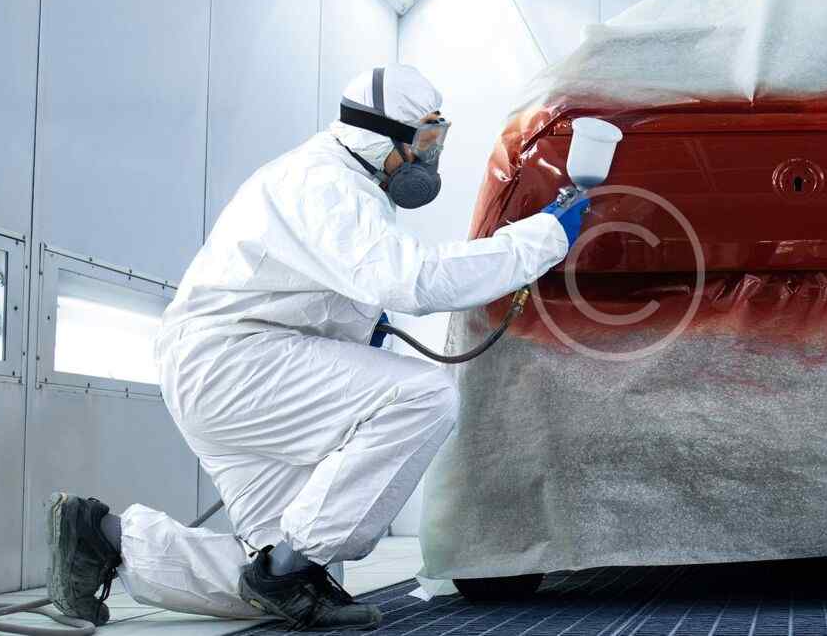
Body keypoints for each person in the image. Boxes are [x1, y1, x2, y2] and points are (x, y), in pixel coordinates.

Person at [44, 64, 589, 631]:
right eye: (425, 140)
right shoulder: (326, 183)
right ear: (381, 136)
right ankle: (286, 571)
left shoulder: (343, 184)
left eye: (438, 139)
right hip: (236, 362)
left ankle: (104, 537)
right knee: (423, 395)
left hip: (226, 369)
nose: (430, 158)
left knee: (281, 571)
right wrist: (543, 238)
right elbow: (415, 280)